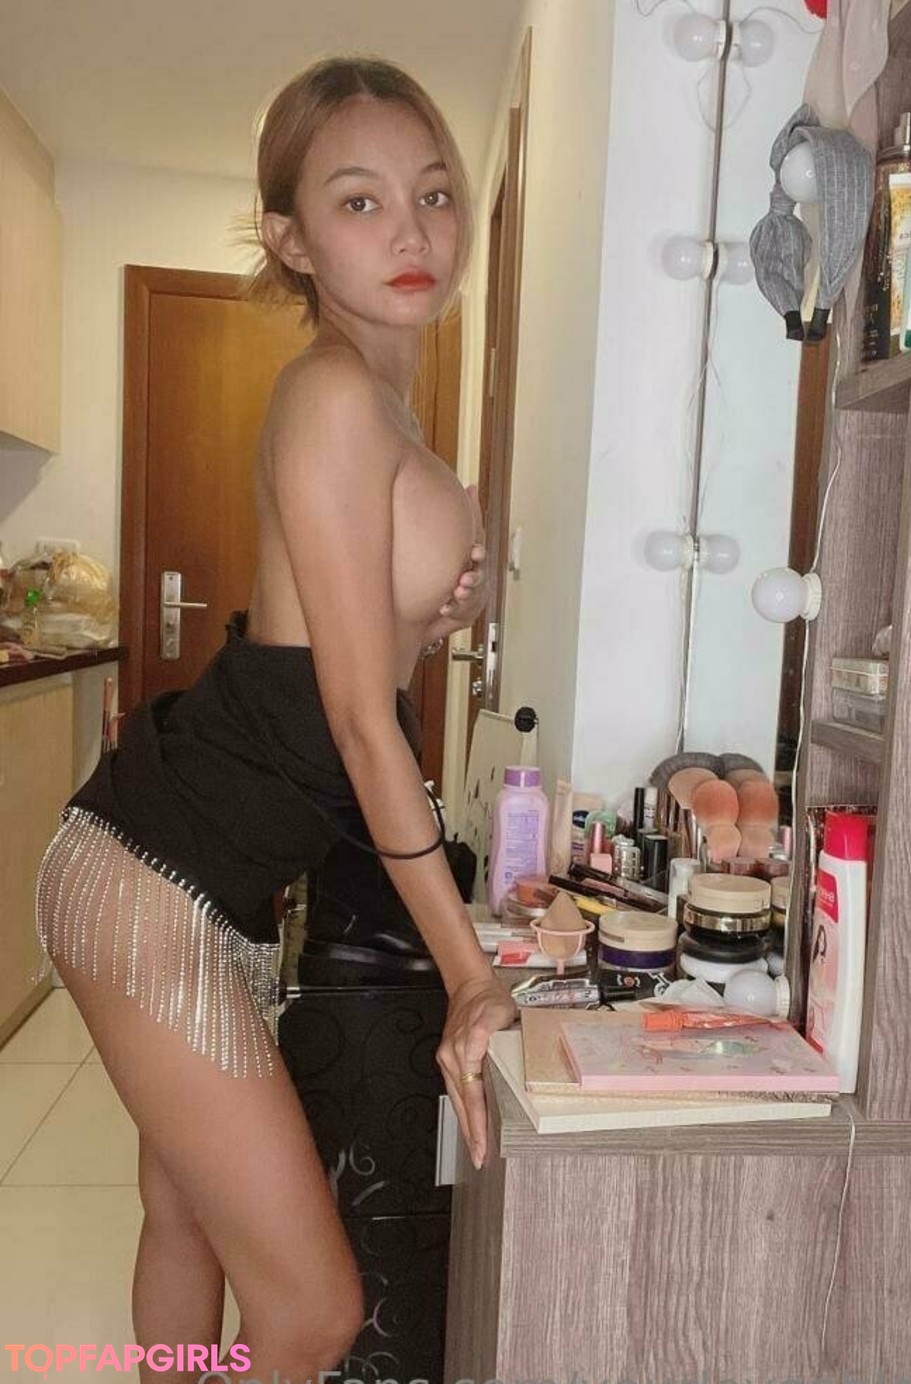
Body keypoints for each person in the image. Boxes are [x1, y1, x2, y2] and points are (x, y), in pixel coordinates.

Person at [34, 55, 517, 1384]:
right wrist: (469, 975)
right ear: (291, 240)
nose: (412, 230)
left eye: (433, 193)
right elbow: (359, 721)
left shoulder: (380, 403)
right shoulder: (330, 393)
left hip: (199, 876)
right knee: (312, 1314)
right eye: (360, 202)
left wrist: (438, 610)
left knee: (186, 1212)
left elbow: (336, 659)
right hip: (151, 880)